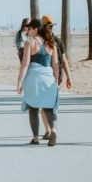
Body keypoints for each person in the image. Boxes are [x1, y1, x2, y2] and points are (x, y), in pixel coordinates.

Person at [17, 18, 60, 146]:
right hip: (48, 78)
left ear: (35, 29)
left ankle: (36, 138)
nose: (27, 31)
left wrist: (19, 82)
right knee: (49, 107)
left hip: (34, 79)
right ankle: (53, 130)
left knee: (33, 108)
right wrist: (56, 81)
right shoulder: (51, 43)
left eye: (29, 28)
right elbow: (56, 65)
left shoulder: (29, 43)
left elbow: (25, 64)